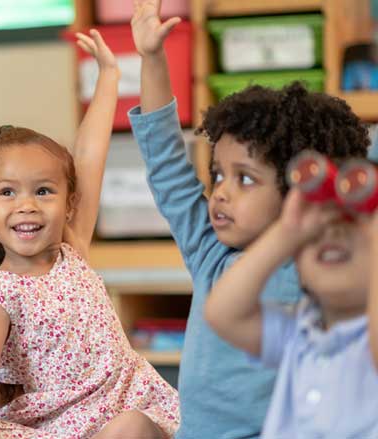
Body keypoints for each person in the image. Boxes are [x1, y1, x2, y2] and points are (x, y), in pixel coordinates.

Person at [0, 29, 179, 439]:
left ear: (69, 203)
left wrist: (108, 77)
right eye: (7, 192)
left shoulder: (70, 249)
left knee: (128, 428)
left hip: (120, 416)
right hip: (50, 431)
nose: (27, 205)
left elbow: (89, 156)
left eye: (43, 191)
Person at [127, 0, 371, 437]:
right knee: (130, 427)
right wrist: (152, 57)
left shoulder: (318, 270)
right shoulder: (210, 253)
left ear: (298, 194)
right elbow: (165, 162)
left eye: (246, 179)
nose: (220, 191)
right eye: (218, 174)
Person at [205, 184, 378, 438]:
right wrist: (286, 232)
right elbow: (222, 314)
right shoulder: (298, 331)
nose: (332, 232)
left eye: (352, 224)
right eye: (314, 235)